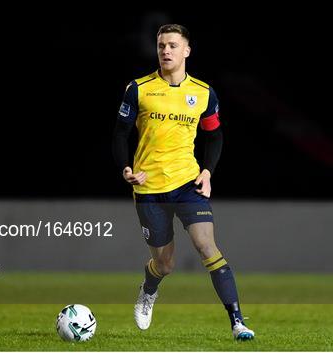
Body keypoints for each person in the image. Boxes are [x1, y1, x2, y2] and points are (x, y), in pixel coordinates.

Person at [112, 24, 255, 340]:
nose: (166, 51)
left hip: (187, 184)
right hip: (149, 188)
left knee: (207, 247)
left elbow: (214, 134)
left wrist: (207, 171)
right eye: (161, 45)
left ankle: (238, 322)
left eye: (173, 45)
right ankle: (149, 288)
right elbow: (120, 133)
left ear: (187, 51)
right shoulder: (138, 88)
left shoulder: (203, 93)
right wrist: (125, 168)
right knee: (165, 265)